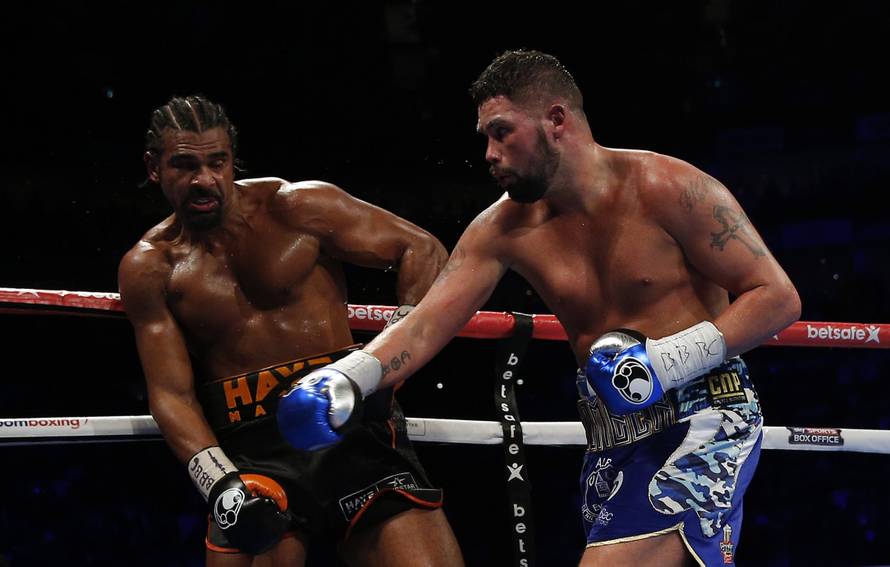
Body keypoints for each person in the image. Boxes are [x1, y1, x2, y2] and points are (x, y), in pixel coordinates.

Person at [278, 51, 801, 567]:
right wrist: (349, 378)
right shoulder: (502, 228)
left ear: (556, 121)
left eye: (502, 131)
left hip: (702, 411)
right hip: (609, 433)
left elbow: (777, 297)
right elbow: (426, 323)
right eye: (484, 136)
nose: (488, 152)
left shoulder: (669, 188)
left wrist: (665, 361)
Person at [118, 95, 464, 566]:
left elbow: (421, 250)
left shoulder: (298, 207)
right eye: (184, 165)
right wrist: (221, 486)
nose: (204, 180)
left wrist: (384, 368)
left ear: (232, 161)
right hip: (252, 458)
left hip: (351, 429)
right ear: (153, 167)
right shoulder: (150, 267)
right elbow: (171, 396)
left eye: (216, 162)